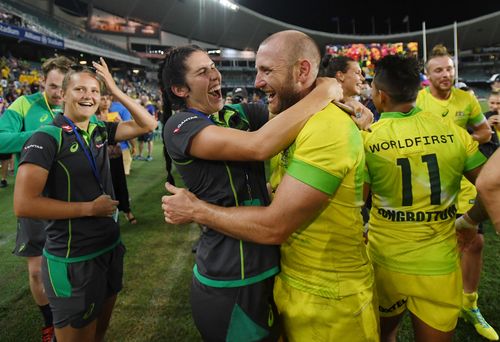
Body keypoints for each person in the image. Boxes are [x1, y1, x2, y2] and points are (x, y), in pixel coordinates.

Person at [162, 31, 378, 342]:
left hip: (271, 270)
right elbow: (258, 146)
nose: (215, 74)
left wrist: (351, 104)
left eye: (213, 66)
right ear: (180, 89)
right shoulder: (179, 126)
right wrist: (327, 89)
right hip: (229, 273)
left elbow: (292, 106)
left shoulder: (237, 115)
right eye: (202, 72)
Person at [13, 58, 157, 341]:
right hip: (72, 259)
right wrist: (89, 208)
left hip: (108, 249)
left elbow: (148, 123)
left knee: (98, 334)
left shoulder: (99, 130)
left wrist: (114, 91)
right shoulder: (46, 138)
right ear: (63, 94)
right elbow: (24, 204)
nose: (88, 96)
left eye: (94, 91)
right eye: (80, 90)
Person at [364, 54, 486, 342]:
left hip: (385, 262)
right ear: (416, 91)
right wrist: (469, 221)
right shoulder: (454, 134)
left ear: (380, 96)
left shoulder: (368, 139)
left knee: (384, 336)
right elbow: (491, 187)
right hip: (439, 265)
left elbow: (357, 203)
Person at [416, 44, 498, 341]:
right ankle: (432, 299)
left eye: (449, 68)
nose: (446, 74)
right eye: (438, 69)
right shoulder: (418, 100)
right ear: (428, 75)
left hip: (464, 181)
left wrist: (458, 140)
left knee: (474, 242)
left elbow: (485, 133)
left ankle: (470, 304)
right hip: (428, 183)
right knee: (435, 243)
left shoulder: (467, 99)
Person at [0, 55, 73, 341]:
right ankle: (49, 323)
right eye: (53, 86)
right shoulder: (23, 104)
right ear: (43, 81)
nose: (58, 93)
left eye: (62, 87)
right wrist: (43, 134)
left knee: (71, 265)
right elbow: (1, 139)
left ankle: (70, 316)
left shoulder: (76, 106)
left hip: (69, 195)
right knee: (35, 271)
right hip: (32, 196)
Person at [96, 93, 137, 224]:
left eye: (107, 98)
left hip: (116, 155)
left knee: (121, 183)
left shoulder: (115, 116)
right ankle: (110, 215)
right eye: (103, 98)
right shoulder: (93, 118)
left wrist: (133, 145)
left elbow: (126, 131)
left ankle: (127, 210)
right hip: (100, 157)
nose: (106, 101)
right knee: (105, 186)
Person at [109, 97, 136, 175]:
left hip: (102, 146)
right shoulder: (124, 108)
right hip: (121, 146)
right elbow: (127, 129)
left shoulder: (102, 107)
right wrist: (133, 146)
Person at [135, 94, 156, 161]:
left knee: (149, 141)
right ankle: (140, 155)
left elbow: (153, 117)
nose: (143, 99)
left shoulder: (150, 107)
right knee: (140, 141)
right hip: (141, 126)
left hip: (148, 126)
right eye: (142, 98)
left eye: (144, 98)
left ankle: (149, 156)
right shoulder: (142, 106)